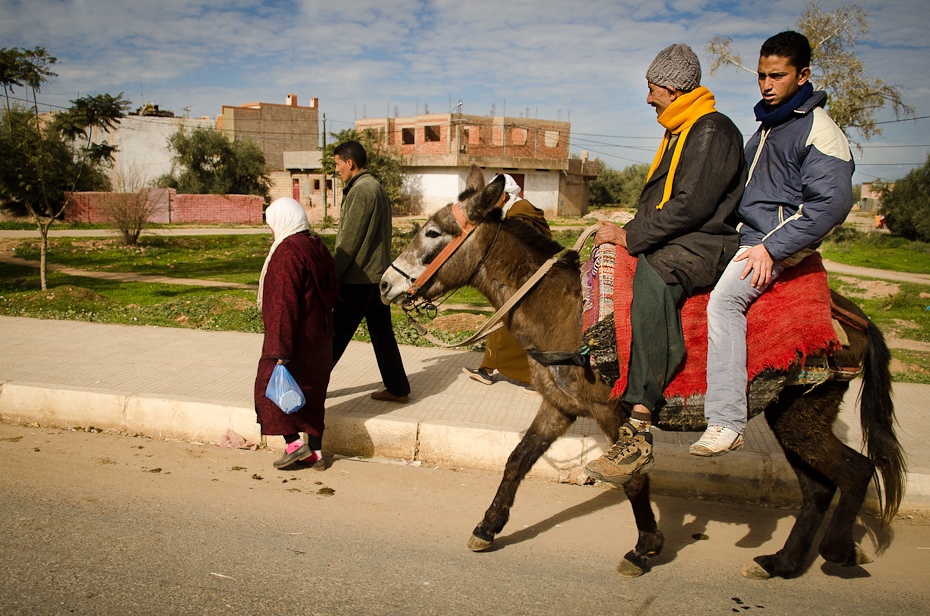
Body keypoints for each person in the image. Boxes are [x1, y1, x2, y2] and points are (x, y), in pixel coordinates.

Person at [583, 44, 746, 484]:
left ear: (672, 88)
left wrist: (632, 235)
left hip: (701, 244)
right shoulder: (681, 128)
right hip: (680, 236)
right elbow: (662, 201)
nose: (649, 97)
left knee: (651, 283)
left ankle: (638, 424)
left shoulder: (710, 130)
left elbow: (692, 206)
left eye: (652, 88)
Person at [692, 31, 855, 456]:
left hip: (769, 246)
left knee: (724, 303)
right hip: (744, 238)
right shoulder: (768, 126)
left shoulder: (820, 131)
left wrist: (771, 249)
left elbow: (829, 206)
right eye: (762, 75)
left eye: (777, 76)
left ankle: (726, 421)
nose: (766, 84)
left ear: (802, 75)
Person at [254, 197, 340, 470]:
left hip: (294, 339)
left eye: (271, 224)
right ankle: (315, 452)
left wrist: (279, 351)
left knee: (267, 388)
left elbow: (283, 303)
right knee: (313, 393)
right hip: (321, 336)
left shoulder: (287, 252)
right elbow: (335, 290)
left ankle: (293, 444)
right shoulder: (317, 247)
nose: (271, 231)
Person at [330, 140, 411, 403]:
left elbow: (349, 241)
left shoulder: (361, 191)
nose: (337, 170)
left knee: (333, 336)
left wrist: (331, 274)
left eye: (338, 164)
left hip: (357, 279)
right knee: (382, 335)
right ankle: (398, 388)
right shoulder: (376, 187)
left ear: (350, 163)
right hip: (376, 277)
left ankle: (307, 390)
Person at [462, 174, 551, 391]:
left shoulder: (521, 214)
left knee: (513, 330)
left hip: (525, 281)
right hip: (515, 278)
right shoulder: (514, 210)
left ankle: (534, 378)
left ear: (503, 195)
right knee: (499, 323)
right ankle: (486, 369)